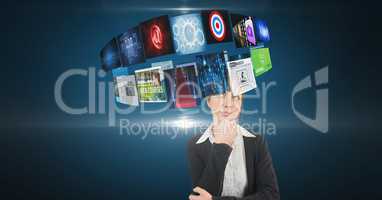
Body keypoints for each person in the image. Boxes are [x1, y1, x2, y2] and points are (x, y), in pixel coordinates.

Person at [187, 91, 280, 200]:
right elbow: (200, 197)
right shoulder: (195, 145)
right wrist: (222, 147)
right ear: (208, 101)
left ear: (241, 103)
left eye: (236, 97)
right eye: (221, 95)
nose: (228, 104)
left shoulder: (256, 141)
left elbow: (272, 195)